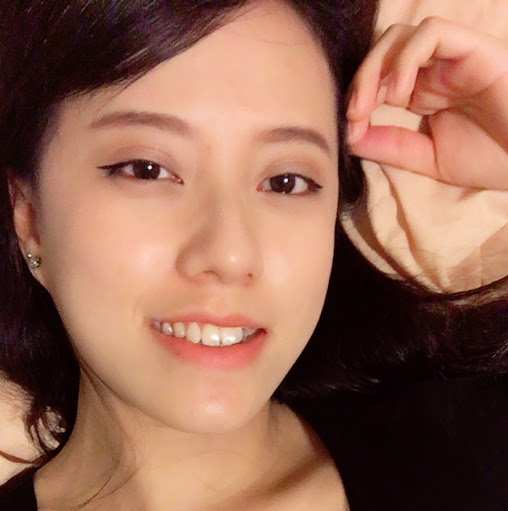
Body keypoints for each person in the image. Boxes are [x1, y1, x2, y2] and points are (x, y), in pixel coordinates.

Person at [0, 2, 507, 511]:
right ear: (30, 219)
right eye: (146, 169)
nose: (230, 254)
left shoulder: (476, 453)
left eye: (286, 181)